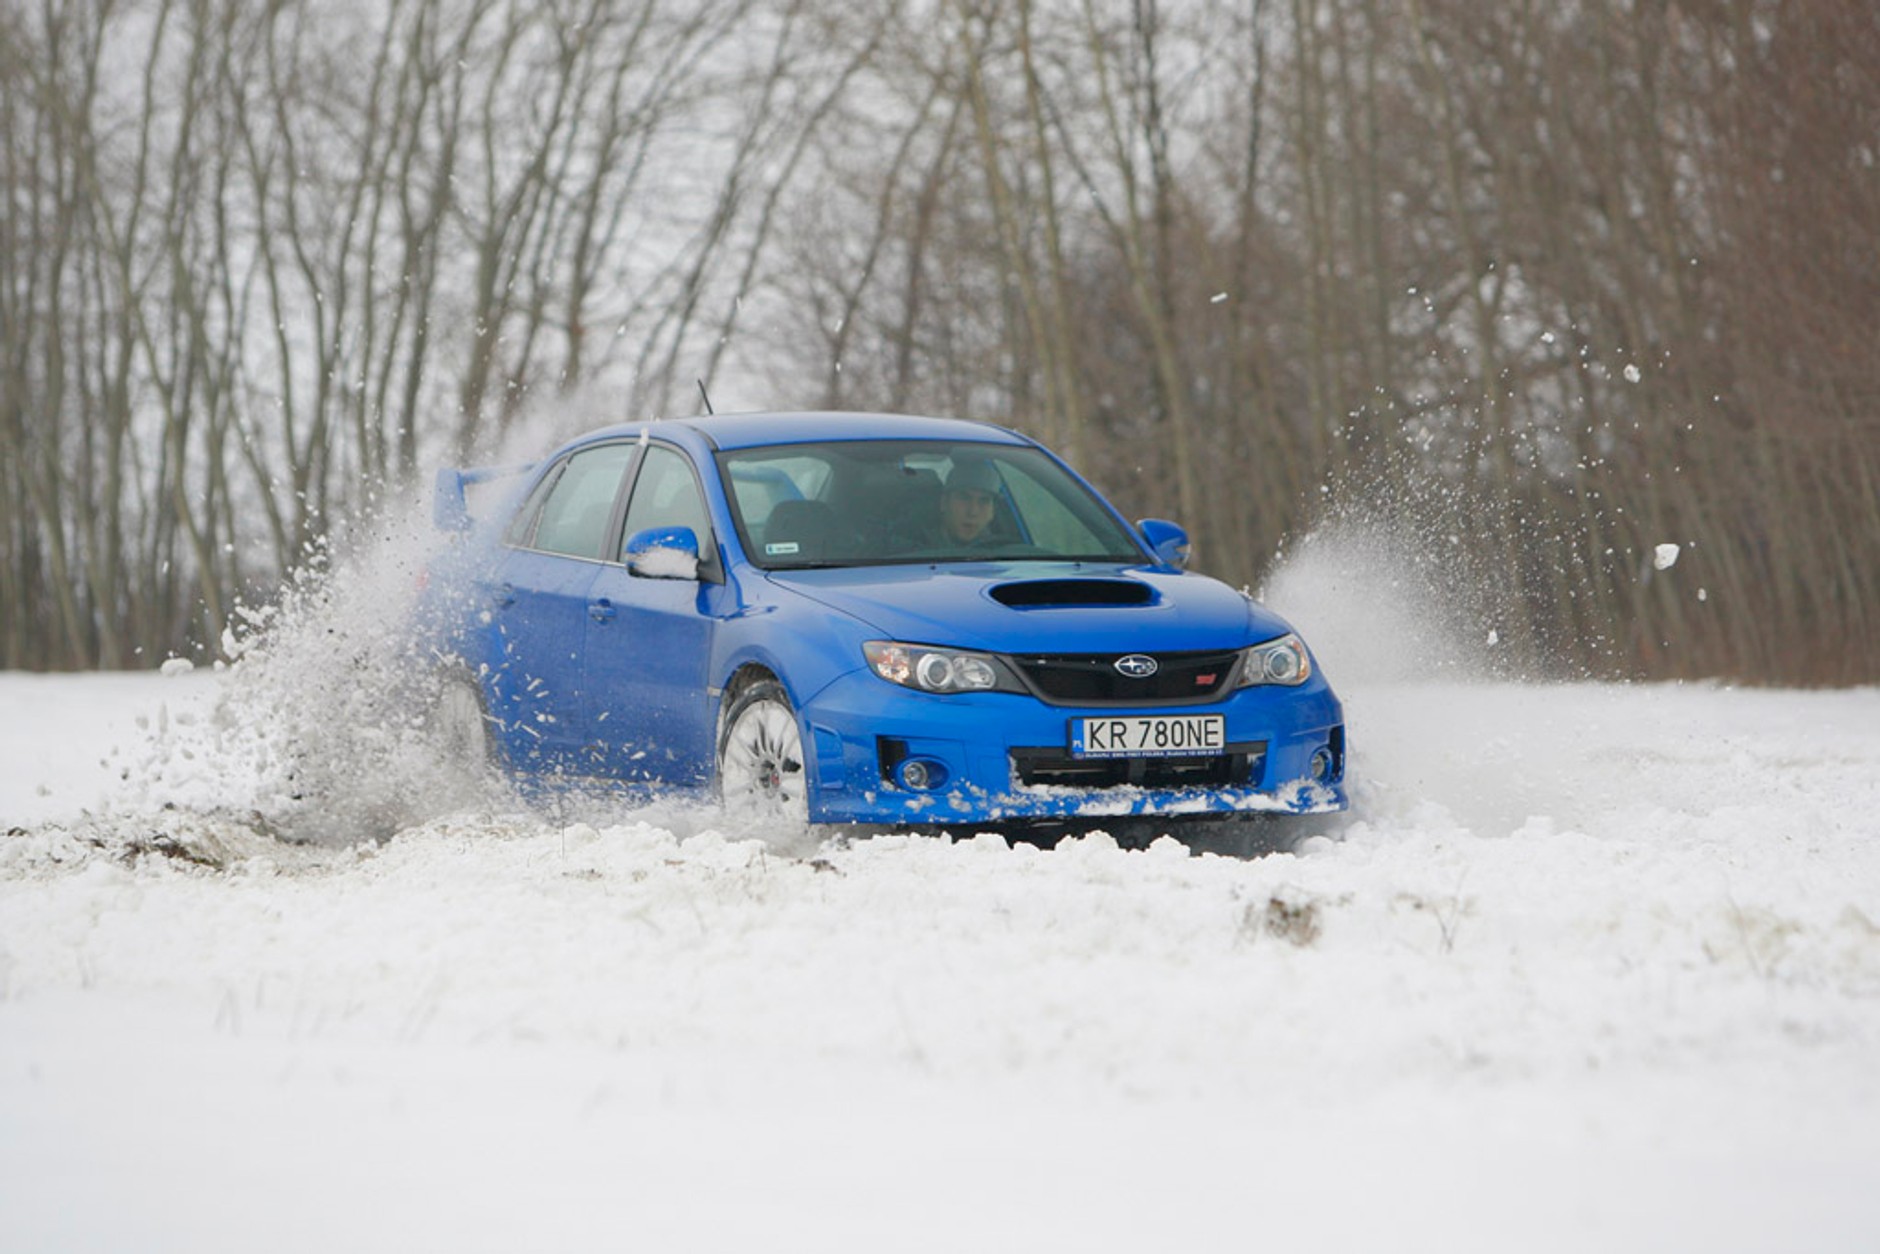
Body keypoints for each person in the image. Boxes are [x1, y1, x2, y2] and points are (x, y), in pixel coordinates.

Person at [934, 457, 1003, 547]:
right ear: (943, 503)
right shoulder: (916, 550)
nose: (973, 512)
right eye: (964, 498)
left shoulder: (1007, 551)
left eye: (984, 501)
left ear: (992, 511)